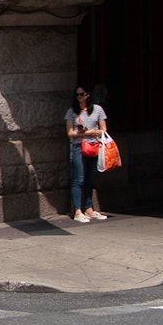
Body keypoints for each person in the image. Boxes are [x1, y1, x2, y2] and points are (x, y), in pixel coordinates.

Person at [66, 86, 108, 223]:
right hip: (79, 146)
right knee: (79, 178)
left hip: (94, 146)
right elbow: (70, 133)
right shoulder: (72, 112)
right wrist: (88, 132)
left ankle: (89, 208)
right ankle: (78, 211)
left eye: (82, 94)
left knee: (90, 177)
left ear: (87, 95)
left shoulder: (97, 110)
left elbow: (104, 130)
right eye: (77, 94)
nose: (79, 97)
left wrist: (91, 132)